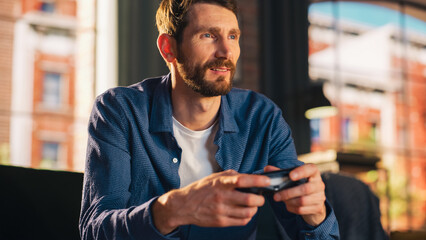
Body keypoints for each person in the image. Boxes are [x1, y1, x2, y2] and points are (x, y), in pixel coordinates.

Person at [79, 0, 340, 239]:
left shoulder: (261, 117)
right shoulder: (118, 110)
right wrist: (174, 209)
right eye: (208, 35)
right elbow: (94, 230)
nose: (226, 51)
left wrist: (315, 214)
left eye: (233, 36)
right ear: (168, 47)